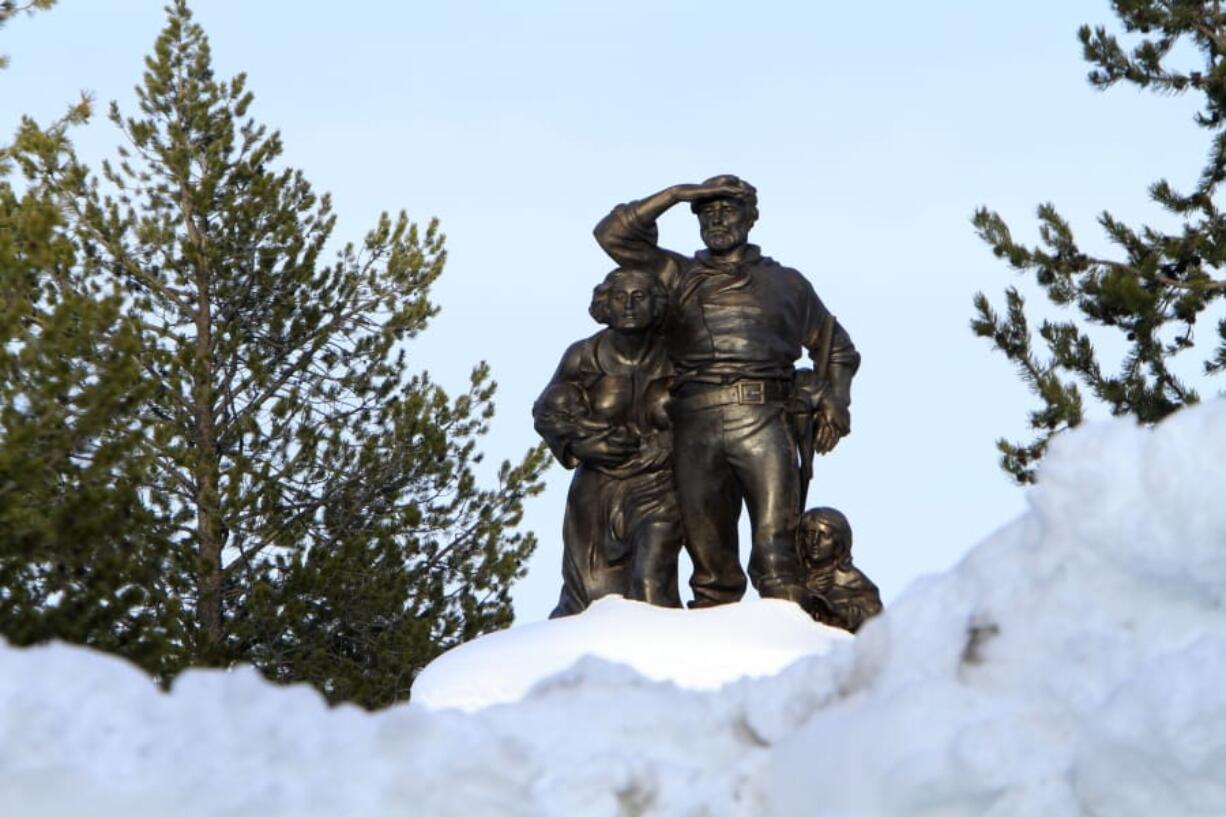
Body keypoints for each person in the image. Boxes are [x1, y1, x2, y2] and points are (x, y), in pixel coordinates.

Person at [593, 175, 860, 608]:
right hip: (694, 423)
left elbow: (838, 349)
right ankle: (712, 649)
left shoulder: (788, 284)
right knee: (709, 560)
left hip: (764, 420)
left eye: (728, 209)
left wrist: (835, 400)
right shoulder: (677, 275)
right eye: (707, 211)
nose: (717, 218)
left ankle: (789, 643)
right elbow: (613, 234)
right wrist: (679, 194)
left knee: (776, 549)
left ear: (751, 217)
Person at [533, 268, 684, 617]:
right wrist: (577, 446)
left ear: (656, 304)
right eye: (620, 297)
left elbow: (705, 414)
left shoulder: (678, 355)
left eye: (639, 296)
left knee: (651, 583)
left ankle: (662, 661)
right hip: (597, 490)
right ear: (606, 304)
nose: (629, 305)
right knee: (589, 600)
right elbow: (545, 412)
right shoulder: (583, 356)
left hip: (658, 485)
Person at [796, 507, 882, 632]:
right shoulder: (794, 574)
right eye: (810, 534)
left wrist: (837, 611)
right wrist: (806, 590)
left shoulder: (853, 580)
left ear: (838, 542)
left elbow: (876, 619)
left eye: (824, 535)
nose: (815, 542)